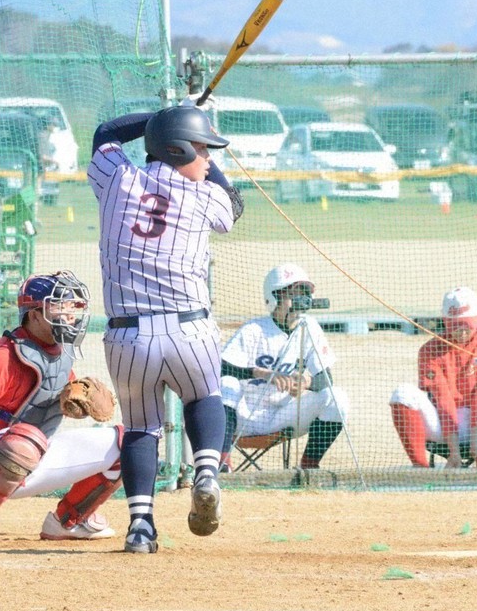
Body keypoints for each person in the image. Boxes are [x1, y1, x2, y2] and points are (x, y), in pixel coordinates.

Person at [87, 102, 244, 554]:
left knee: (140, 427)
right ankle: (208, 472)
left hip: (127, 335)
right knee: (203, 396)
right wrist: (181, 132)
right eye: (202, 149)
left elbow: (105, 133)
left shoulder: (118, 180)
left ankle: (140, 525)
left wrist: (159, 118)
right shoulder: (204, 196)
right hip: (190, 330)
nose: (210, 159)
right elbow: (233, 207)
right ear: (176, 150)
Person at [0, 270, 123, 551]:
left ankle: (70, 520)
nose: (70, 313)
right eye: (59, 306)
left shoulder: (61, 354)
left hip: (31, 453)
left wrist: (76, 404)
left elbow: (60, 400)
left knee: (128, 442)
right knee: (25, 441)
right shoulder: (2, 357)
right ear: (35, 314)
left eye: (72, 306)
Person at [220, 263, 348, 471]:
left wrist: (306, 382)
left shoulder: (310, 327)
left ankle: (309, 466)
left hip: (282, 414)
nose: (299, 299)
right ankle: (222, 464)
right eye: (292, 293)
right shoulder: (254, 329)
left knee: (337, 398)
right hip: (243, 414)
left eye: (303, 293)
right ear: (274, 298)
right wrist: (259, 372)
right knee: (226, 384)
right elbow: (220, 368)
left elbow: (326, 379)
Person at [390, 286, 477, 468]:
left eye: (467, 325)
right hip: (443, 424)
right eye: (455, 325)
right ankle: (421, 469)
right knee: (402, 394)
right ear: (445, 320)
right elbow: (442, 398)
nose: (461, 331)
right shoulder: (429, 350)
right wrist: (453, 451)